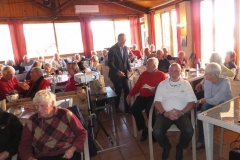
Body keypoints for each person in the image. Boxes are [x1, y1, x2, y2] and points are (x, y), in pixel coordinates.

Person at [18, 90, 87, 160]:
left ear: (52, 103)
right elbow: (24, 144)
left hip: (66, 153)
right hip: (44, 156)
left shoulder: (65, 114)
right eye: (36, 106)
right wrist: (30, 158)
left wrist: (72, 149)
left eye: (42, 106)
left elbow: (81, 133)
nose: (39, 109)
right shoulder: (32, 120)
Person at [153, 63, 197, 160]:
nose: (174, 73)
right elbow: (157, 102)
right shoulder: (162, 84)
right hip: (164, 113)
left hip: (182, 113)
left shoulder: (186, 84)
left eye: (176, 70)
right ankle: (166, 146)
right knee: (157, 131)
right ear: (168, 72)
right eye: (171, 70)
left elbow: (192, 102)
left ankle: (180, 147)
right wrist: (165, 113)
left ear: (180, 72)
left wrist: (181, 112)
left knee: (189, 130)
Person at [126, 57, 166, 141]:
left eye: (148, 64)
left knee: (149, 110)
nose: (146, 66)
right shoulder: (144, 74)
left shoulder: (161, 75)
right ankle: (145, 129)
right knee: (134, 109)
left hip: (153, 97)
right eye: (146, 64)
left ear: (154, 66)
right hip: (142, 97)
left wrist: (153, 89)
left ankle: (154, 131)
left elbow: (164, 89)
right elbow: (137, 87)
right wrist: (129, 95)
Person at [196, 63, 232, 150]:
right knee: (204, 110)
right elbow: (208, 97)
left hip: (225, 107)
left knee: (204, 109)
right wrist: (208, 101)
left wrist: (201, 101)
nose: (204, 75)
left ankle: (203, 138)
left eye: (206, 73)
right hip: (213, 102)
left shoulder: (225, 83)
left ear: (212, 75)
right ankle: (203, 138)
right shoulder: (208, 80)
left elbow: (215, 101)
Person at [108, 33, 132, 114]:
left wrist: (129, 67)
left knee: (127, 90)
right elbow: (110, 63)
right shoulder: (112, 49)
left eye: (125, 40)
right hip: (116, 74)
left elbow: (126, 59)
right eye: (122, 40)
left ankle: (127, 109)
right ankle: (115, 107)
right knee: (118, 90)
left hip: (124, 73)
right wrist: (118, 71)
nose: (124, 42)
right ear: (118, 40)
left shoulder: (125, 48)